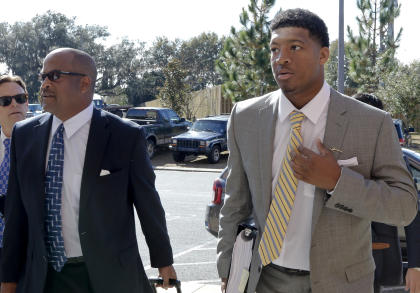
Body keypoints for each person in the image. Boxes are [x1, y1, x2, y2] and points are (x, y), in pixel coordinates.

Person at [217, 8, 418, 293]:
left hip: (340, 283)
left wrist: (337, 181)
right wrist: (228, 269)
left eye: (295, 47)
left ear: (323, 55)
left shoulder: (371, 123)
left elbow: (404, 207)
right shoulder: (246, 116)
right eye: (275, 49)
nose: (281, 58)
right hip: (264, 280)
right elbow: (234, 203)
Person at [0, 48, 176, 293]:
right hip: (43, 278)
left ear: (84, 84)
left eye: (55, 76)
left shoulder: (124, 135)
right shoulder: (25, 135)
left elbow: (148, 204)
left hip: (106, 277)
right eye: (43, 77)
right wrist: (8, 280)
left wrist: (164, 262)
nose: (45, 84)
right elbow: (15, 213)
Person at [353, 93, 420, 293]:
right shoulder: (336, 153)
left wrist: (415, 266)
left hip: (381, 259)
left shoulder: (394, 158)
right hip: (340, 260)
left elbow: (412, 212)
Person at [0, 75, 29, 264]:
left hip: (30, 250)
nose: (14, 105)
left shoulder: (50, 145)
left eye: (20, 99)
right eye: (5, 101)